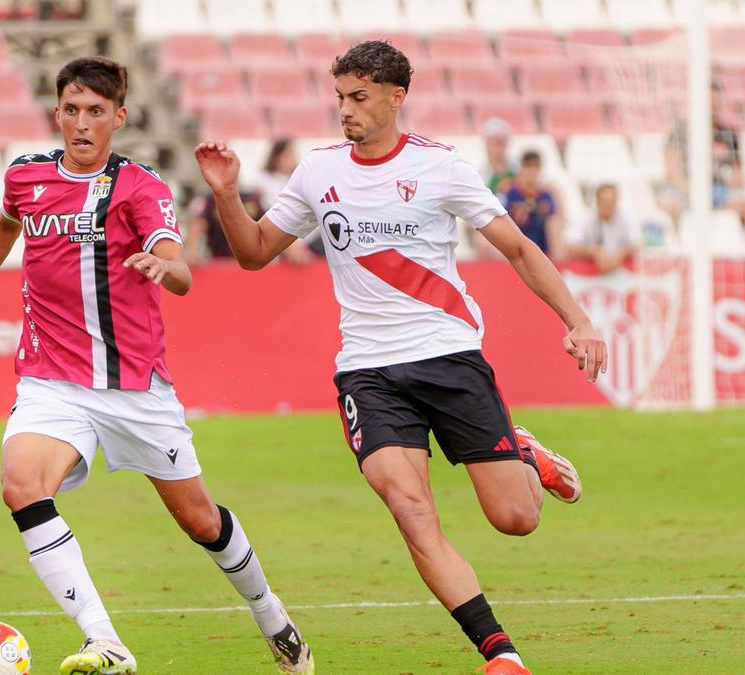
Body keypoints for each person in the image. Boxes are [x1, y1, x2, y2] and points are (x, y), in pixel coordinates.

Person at [196, 41, 605, 675]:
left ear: (396, 97)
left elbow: (519, 250)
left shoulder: (441, 168)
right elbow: (252, 253)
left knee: (516, 518)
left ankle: (523, 450)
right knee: (412, 512)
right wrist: (226, 193)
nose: (345, 111)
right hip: (368, 371)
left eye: (358, 98)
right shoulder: (317, 171)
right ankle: (501, 655)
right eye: (339, 98)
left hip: (448, 356)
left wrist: (577, 321)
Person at [0, 56, 313, 675]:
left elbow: (179, 269)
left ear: (119, 118)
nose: (82, 124)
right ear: (57, 113)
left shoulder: (141, 187)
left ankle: (269, 613)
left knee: (200, 521)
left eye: (96, 112)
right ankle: (105, 641)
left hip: (135, 389)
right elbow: (4, 223)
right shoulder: (27, 177)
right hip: (52, 382)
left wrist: (163, 268)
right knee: (20, 485)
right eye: (71, 110)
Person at [659, 81, 745, 222]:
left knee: (741, 206)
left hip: (717, 190)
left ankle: (728, 239)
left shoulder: (729, 134)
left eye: (717, 101)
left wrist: (719, 193)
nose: (713, 105)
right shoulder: (680, 131)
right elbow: (672, 174)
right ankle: (679, 241)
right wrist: (695, 193)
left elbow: (738, 175)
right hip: (684, 188)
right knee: (669, 205)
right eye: (710, 100)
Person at [499, 150, 565, 260]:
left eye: (535, 168)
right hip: (518, 243)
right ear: (522, 169)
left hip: (542, 243)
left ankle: (558, 263)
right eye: (528, 167)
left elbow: (558, 219)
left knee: (554, 224)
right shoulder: (512, 194)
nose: (531, 172)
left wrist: (557, 194)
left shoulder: (545, 195)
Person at [566, 184, 641, 274]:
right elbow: (570, 246)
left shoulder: (626, 218)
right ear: (597, 202)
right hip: (590, 274)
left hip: (620, 274)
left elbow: (637, 244)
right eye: (605, 201)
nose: (609, 205)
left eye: (612, 201)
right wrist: (593, 252)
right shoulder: (585, 218)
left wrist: (621, 253)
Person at [479, 117, 517, 195]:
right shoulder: (479, 177)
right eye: (495, 143)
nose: (498, 149)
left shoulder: (519, 171)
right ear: (486, 145)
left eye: (501, 143)